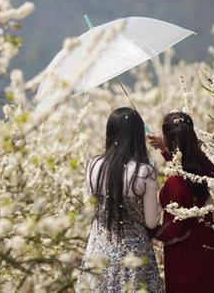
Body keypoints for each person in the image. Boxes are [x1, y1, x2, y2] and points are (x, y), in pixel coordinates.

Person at [147, 111, 214, 293]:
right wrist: (166, 148)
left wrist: (149, 229)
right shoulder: (208, 167)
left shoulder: (174, 184)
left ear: (168, 138)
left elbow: (172, 232)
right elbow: (188, 169)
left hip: (185, 258)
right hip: (211, 247)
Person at [76, 107, 163, 292]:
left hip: (99, 248)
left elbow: (92, 207)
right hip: (133, 254)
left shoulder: (94, 165)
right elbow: (151, 221)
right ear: (137, 134)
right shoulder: (145, 171)